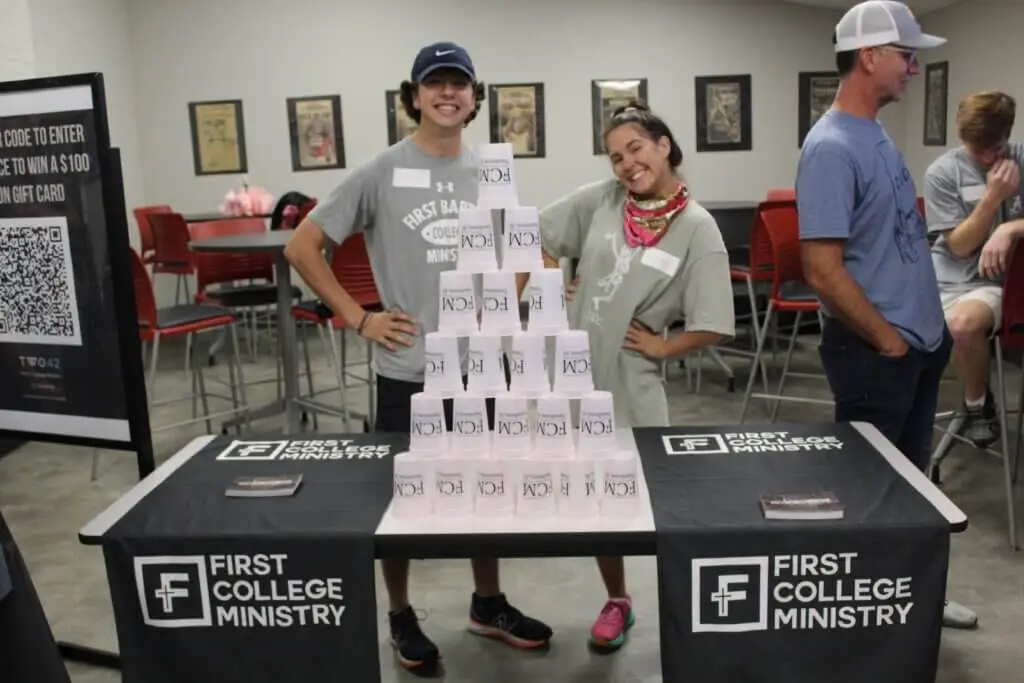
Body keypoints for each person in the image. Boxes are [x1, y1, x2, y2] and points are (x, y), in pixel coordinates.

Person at [284, 41, 553, 676]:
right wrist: (359, 317)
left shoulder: (491, 170)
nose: (448, 93)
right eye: (435, 84)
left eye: (459, 84)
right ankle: (400, 613)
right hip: (410, 370)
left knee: (486, 492)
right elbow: (302, 246)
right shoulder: (382, 170)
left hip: (483, 367)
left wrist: (508, 308)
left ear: (473, 97)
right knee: (399, 501)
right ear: (414, 96)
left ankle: (488, 604)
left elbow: (521, 255)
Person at [522, 101, 735, 652]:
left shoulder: (697, 228)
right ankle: (618, 600)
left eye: (635, 148)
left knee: (658, 501)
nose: (625, 164)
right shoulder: (603, 200)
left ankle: (691, 612)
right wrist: (553, 284)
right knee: (598, 505)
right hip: (572, 375)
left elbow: (714, 321)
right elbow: (535, 235)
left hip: (633, 382)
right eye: (615, 156)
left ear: (664, 145)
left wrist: (664, 346)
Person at [795, 0, 977, 629]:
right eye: (906, 55)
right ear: (869, 56)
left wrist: (922, 340)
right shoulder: (829, 147)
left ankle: (915, 596)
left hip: (919, 345)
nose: (914, 67)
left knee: (912, 488)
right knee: (866, 496)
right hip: (878, 353)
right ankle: (865, 617)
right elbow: (821, 268)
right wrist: (888, 341)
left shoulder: (874, 134)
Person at [924, 91, 1024, 448]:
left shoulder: (1022, 160)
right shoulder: (942, 173)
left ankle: (975, 406)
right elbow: (961, 245)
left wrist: (1010, 227)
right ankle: (975, 398)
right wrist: (993, 198)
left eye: (994, 149)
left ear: (1007, 136)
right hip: (948, 279)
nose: (985, 158)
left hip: (1002, 284)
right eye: (974, 149)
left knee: (961, 326)